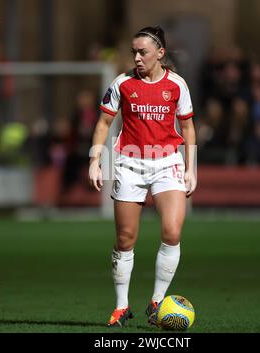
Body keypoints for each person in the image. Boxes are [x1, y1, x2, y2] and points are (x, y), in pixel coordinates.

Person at [89, 26, 197, 327]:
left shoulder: (176, 85)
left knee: (172, 232)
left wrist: (191, 168)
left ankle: (157, 301)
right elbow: (103, 123)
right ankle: (122, 306)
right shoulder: (122, 83)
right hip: (129, 163)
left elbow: (187, 128)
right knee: (125, 239)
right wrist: (95, 160)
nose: (137, 57)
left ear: (160, 53)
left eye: (143, 52)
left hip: (167, 163)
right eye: (133, 52)